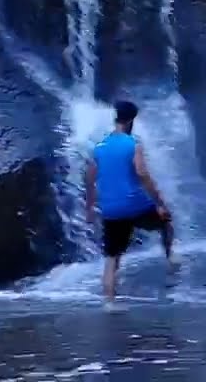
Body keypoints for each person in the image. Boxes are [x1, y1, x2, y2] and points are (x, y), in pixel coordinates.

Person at [84, 100, 178, 303]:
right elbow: (142, 173)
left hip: (111, 210)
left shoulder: (99, 148)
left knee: (111, 258)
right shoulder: (133, 144)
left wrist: (90, 209)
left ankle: (109, 303)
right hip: (136, 205)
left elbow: (89, 180)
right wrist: (159, 202)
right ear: (130, 121)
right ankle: (171, 259)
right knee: (166, 222)